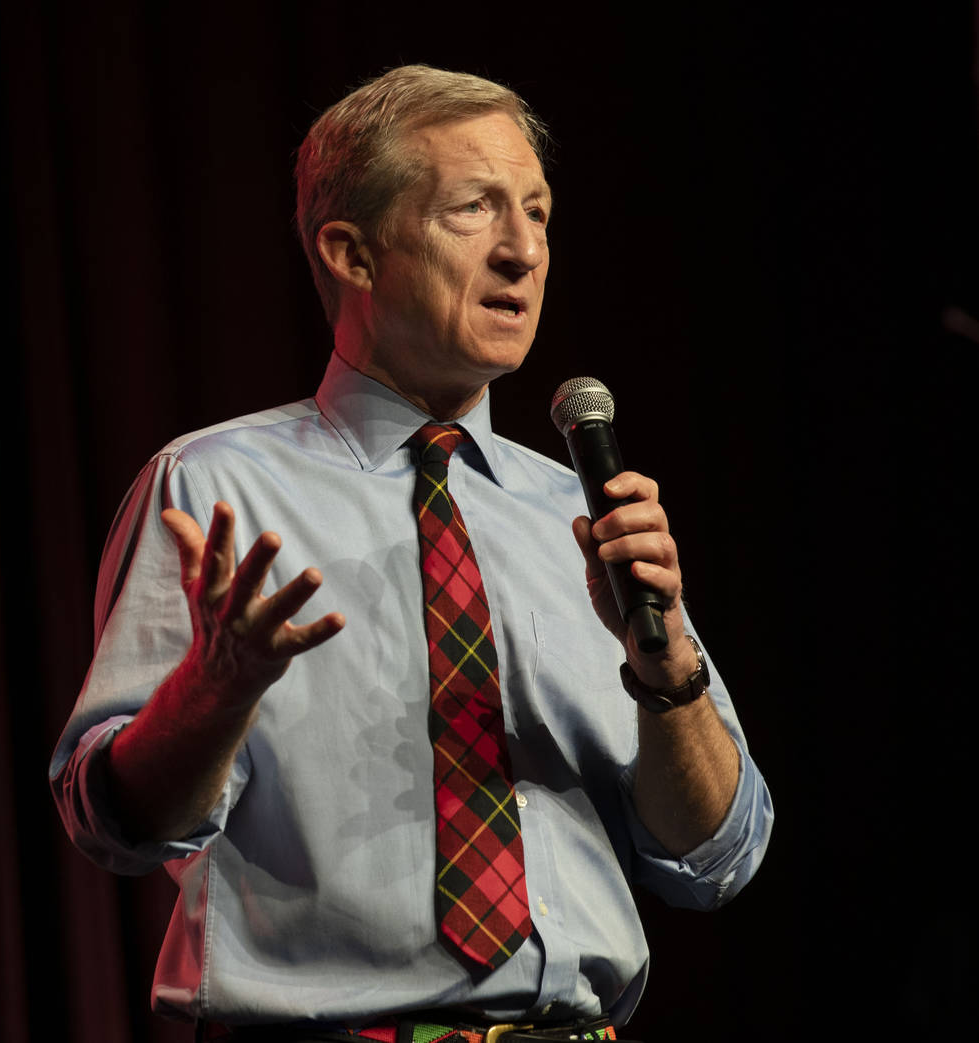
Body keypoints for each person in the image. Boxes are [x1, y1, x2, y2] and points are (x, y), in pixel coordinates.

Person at [50, 65, 772, 1038]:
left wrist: (666, 673)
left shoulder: (580, 512)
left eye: (539, 212)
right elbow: (110, 819)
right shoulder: (213, 487)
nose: (524, 252)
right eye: (475, 208)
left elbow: (715, 853)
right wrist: (214, 689)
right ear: (351, 251)